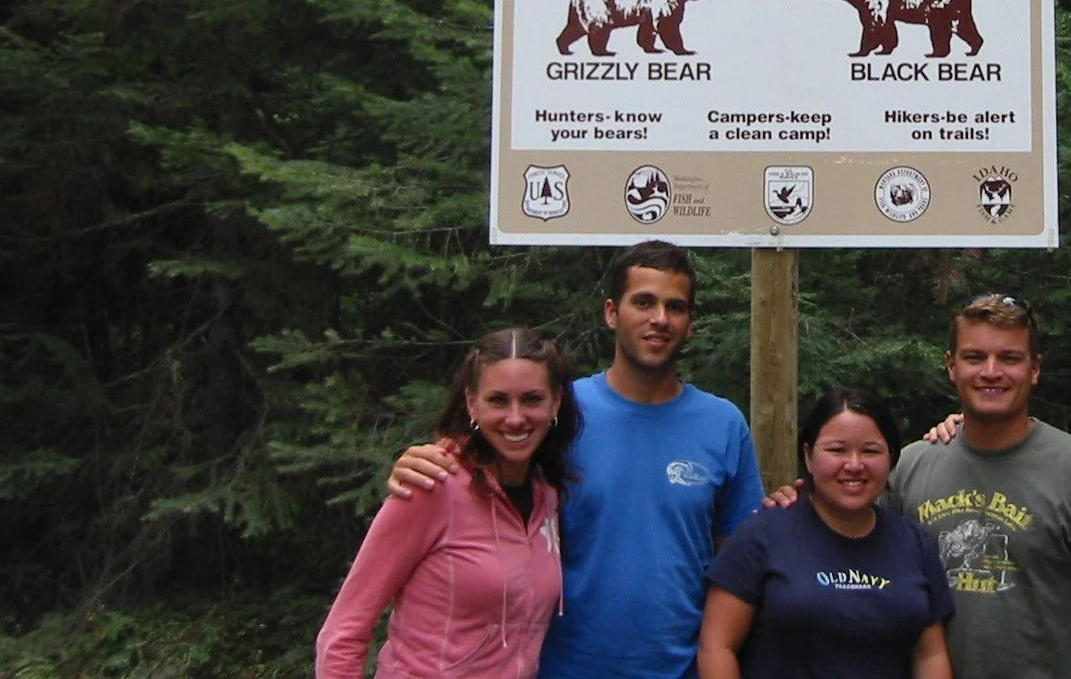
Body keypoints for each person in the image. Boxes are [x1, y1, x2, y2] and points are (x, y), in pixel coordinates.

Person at [386, 240, 766, 679]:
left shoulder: (722, 424)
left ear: (690, 322)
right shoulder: (558, 414)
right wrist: (425, 459)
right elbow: (483, 488)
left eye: (674, 307)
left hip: (680, 669)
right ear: (611, 312)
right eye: (643, 302)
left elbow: (738, 567)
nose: (659, 319)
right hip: (563, 667)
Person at [889, 294, 1071, 679]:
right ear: (951, 366)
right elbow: (848, 552)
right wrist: (792, 500)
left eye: (1009, 358)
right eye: (974, 357)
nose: (991, 372)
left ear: (1035, 368)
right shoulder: (909, 468)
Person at [316, 329, 578, 678]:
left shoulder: (547, 494)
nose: (515, 418)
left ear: (555, 402)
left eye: (531, 399)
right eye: (498, 400)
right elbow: (343, 631)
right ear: (472, 403)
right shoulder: (433, 485)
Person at [699, 387, 955, 679]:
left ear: (891, 458)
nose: (854, 465)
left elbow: (930, 656)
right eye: (837, 450)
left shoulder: (915, 543)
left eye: (870, 451)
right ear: (808, 456)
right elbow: (717, 647)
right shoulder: (761, 535)